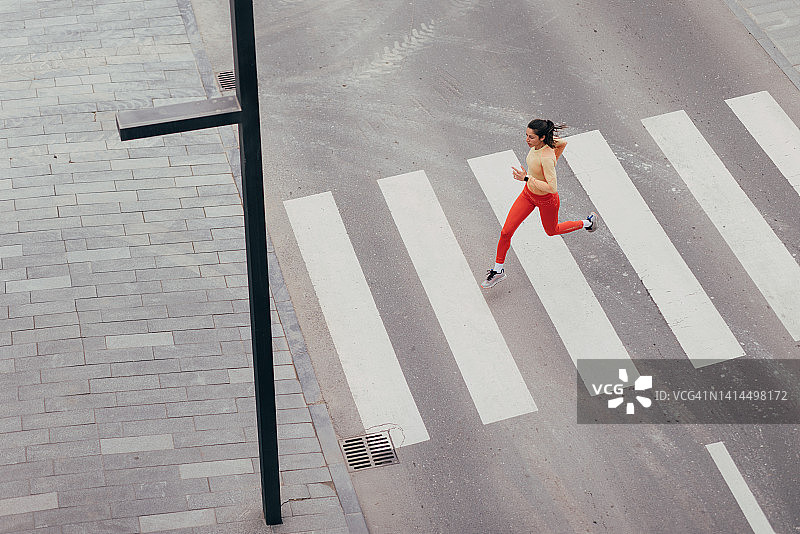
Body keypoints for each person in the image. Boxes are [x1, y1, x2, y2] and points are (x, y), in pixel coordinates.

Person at [481, 119, 599, 289]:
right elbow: (562, 143)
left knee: (552, 231)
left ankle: (588, 222)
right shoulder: (542, 146)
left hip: (547, 201)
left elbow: (552, 187)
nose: (527, 140)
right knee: (506, 231)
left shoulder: (546, 157)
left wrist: (527, 177)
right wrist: (531, 179)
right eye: (526, 135)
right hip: (528, 195)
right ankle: (498, 270)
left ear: (542, 137)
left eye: (531, 137)